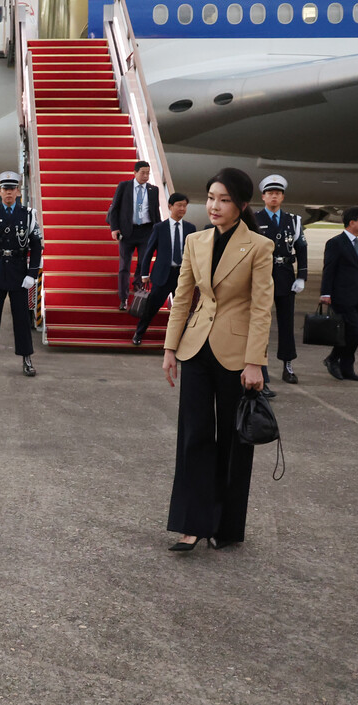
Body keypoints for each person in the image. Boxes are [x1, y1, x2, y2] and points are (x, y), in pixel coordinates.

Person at [161, 167, 273, 553]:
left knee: (232, 441)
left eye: (224, 199)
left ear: (241, 205)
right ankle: (191, 525)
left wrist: (255, 362)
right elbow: (182, 298)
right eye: (210, 197)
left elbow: (261, 309)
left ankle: (225, 526)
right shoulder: (195, 241)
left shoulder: (259, 246)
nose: (214, 205)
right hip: (195, 349)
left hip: (237, 356)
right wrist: (170, 349)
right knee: (193, 437)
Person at [0, 172, 43, 377]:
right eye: (5, 190)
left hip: (19, 274)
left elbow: (37, 246)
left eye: (12, 189)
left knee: (22, 319)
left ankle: (27, 358)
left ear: (17, 192)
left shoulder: (28, 214)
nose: (8, 193)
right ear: (0, 192)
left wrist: (32, 274)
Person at [254, 174, 308, 391]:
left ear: (282, 197)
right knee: (260, 325)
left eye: (277, 193)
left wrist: (302, 276)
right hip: (261, 277)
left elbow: (301, 248)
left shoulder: (293, 220)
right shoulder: (254, 219)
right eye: (270, 193)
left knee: (286, 324)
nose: (273, 197)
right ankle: (261, 370)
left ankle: (288, 365)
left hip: (285, 275)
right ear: (263, 197)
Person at [320, 207, 358, 382]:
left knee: (354, 334)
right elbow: (329, 270)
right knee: (352, 331)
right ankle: (332, 359)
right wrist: (325, 293)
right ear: (352, 222)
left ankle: (347, 368)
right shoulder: (336, 243)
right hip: (342, 296)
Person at [132, 192, 195, 346]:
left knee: (182, 310)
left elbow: (195, 253)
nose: (182, 209)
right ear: (170, 206)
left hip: (182, 275)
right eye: (179, 205)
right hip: (162, 275)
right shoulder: (160, 227)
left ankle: (182, 340)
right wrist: (144, 274)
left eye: (184, 206)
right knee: (151, 308)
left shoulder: (190, 228)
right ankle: (138, 334)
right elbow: (149, 252)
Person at [107, 160, 161, 310]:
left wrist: (160, 231)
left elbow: (155, 212)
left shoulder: (153, 190)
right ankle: (123, 298)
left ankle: (137, 285)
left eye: (148, 173)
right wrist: (114, 228)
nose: (146, 176)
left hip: (146, 231)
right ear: (135, 172)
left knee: (143, 263)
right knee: (124, 266)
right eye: (143, 172)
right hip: (127, 231)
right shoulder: (124, 186)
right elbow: (115, 208)